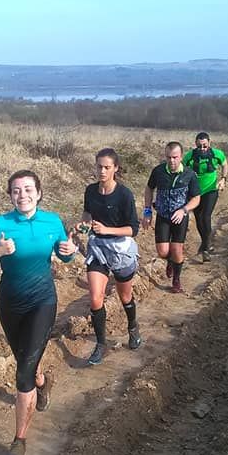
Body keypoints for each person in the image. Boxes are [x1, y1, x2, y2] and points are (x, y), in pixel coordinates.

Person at [0, 169, 78, 455]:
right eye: (16, 190)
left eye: (28, 189)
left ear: (39, 193)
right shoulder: (0, 225)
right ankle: (43, 382)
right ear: (10, 195)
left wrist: (69, 251)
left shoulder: (52, 221)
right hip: (10, 304)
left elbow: (65, 253)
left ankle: (19, 440)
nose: (23, 195)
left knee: (22, 372)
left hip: (43, 301)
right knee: (25, 362)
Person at [75, 147, 142, 366]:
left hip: (121, 249)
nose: (101, 171)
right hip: (98, 249)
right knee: (95, 297)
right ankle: (101, 344)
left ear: (115, 168)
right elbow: (87, 213)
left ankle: (132, 327)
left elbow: (133, 229)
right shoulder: (90, 191)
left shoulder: (124, 195)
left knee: (125, 296)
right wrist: (84, 224)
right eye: (98, 167)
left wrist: (108, 230)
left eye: (106, 167)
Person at [143, 141, 201, 294]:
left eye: (175, 157)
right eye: (168, 157)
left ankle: (176, 278)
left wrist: (184, 210)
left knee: (177, 249)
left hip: (180, 217)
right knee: (162, 251)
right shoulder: (158, 171)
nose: (172, 161)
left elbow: (196, 198)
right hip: (162, 215)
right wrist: (147, 211)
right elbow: (149, 188)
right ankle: (170, 262)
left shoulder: (189, 174)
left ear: (181, 157)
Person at [183, 132, 228, 261]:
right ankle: (205, 243)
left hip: (211, 190)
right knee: (198, 218)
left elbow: (224, 164)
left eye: (204, 146)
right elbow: (182, 169)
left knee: (205, 215)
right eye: (199, 146)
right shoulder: (190, 156)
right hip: (195, 192)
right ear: (195, 144)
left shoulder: (217, 154)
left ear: (209, 143)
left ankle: (205, 247)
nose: (202, 149)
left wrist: (223, 179)